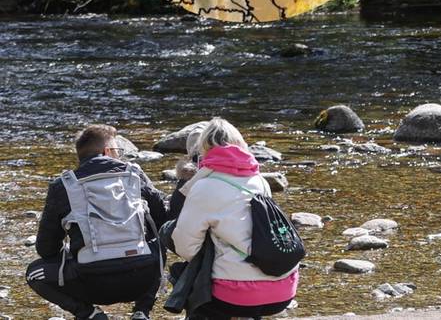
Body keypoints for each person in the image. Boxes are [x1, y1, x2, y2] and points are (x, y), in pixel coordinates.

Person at [25, 124, 168, 320]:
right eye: (118, 150)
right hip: (140, 278)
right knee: (159, 238)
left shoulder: (63, 186)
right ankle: (142, 311)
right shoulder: (135, 175)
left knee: (34, 272)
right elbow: (163, 220)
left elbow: (46, 249)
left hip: (91, 283)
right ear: (107, 151)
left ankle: (89, 313)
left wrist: (76, 250)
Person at [169, 118, 298, 319]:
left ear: (203, 148)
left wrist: (206, 259)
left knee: (180, 261)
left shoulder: (204, 186)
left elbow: (186, 247)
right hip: (283, 289)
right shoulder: (259, 180)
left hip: (236, 295)